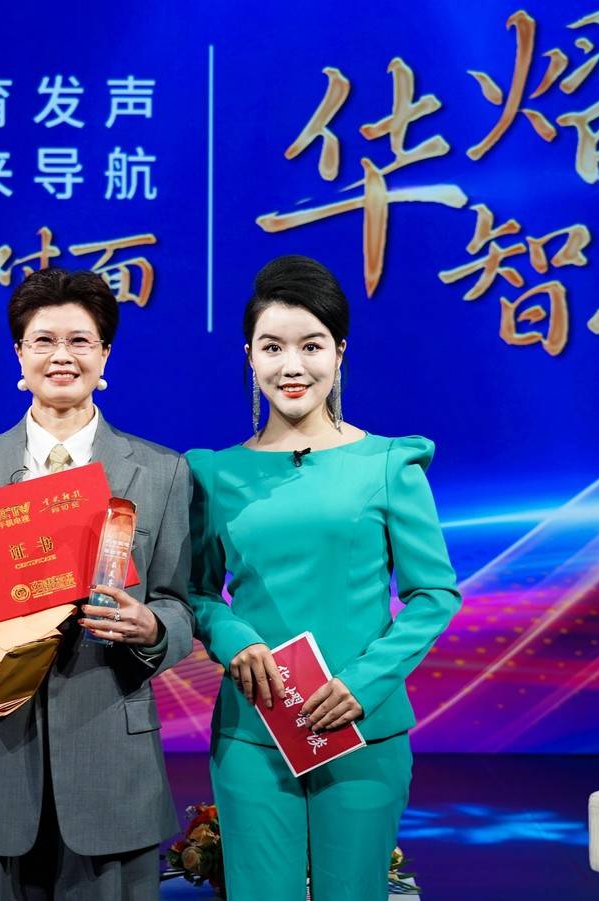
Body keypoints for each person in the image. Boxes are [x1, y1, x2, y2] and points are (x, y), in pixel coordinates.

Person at [0, 267, 194, 901]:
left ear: (104, 356)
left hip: (113, 764)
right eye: (44, 341)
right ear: (19, 356)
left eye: (80, 341)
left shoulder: (161, 472)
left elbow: (178, 602)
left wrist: (152, 626)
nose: (62, 356)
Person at [186, 255, 462, 901]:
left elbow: (433, 595)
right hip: (254, 730)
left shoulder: (389, 463)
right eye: (272, 347)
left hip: (362, 726)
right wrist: (232, 637)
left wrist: (362, 684)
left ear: (339, 352)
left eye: (311, 346)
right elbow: (194, 591)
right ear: (249, 356)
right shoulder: (213, 473)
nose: (292, 365)